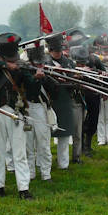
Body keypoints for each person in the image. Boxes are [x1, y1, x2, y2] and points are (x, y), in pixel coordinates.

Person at [0, 33, 44, 200]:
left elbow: (33, 91)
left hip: (16, 112)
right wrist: (6, 65)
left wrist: (37, 79)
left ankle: (23, 188)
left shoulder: (22, 65)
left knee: (19, 153)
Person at [45, 33, 81, 168]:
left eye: (59, 50)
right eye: (55, 50)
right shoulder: (45, 63)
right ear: (50, 50)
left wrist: (66, 77)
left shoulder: (69, 63)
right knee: (44, 136)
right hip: (49, 101)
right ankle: (44, 164)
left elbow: (75, 81)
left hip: (65, 100)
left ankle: (63, 164)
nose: (58, 53)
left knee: (64, 135)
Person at [23, 41, 54, 182]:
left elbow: (55, 90)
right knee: (28, 145)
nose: (40, 65)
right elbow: (30, 91)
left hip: (41, 109)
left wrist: (46, 77)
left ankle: (46, 174)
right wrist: (36, 78)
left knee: (44, 144)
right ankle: (30, 173)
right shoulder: (24, 71)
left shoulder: (46, 70)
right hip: (27, 108)